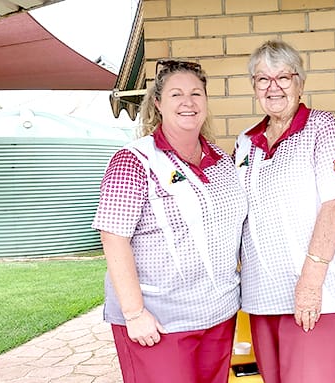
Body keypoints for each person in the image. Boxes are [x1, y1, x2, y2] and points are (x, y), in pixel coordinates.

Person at [92, 59, 247, 383]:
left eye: (196, 93)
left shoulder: (222, 161)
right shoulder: (134, 160)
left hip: (218, 316)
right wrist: (135, 313)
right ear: (158, 104)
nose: (188, 102)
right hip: (157, 323)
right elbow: (113, 238)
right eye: (176, 94)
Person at [234, 40, 335, 383]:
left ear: (299, 83)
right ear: (254, 87)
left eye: (283, 77)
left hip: (315, 295)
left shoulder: (322, 127)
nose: (273, 87)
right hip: (262, 295)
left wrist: (310, 284)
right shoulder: (246, 141)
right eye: (263, 79)